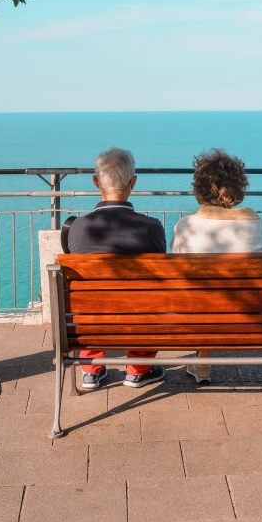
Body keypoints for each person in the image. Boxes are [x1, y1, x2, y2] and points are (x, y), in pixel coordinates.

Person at [68, 146, 166, 391]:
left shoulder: (77, 228)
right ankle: (138, 371)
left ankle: (92, 371)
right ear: (133, 182)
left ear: (96, 181)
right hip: (138, 322)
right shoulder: (152, 228)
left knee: (88, 302)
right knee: (149, 301)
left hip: (90, 324)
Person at [171, 149, 262, 383]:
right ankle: (201, 362)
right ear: (237, 187)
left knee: (200, 295)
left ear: (199, 188)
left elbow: (177, 271)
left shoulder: (186, 226)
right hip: (248, 309)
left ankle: (202, 362)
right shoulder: (254, 222)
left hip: (197, 311)